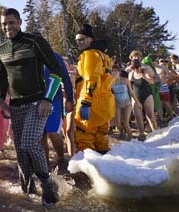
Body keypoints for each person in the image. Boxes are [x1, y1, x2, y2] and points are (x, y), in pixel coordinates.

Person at [0, 8, 62, 206]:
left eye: (11, 22)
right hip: (16, 106)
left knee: (30, 143)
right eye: (4, 24)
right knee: (21, 153)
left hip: (37, 103)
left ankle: (47, 183)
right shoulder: (1, 50)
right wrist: (1, 100)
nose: (8, 27)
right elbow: (1, 78)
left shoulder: (34, 41)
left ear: (19, 22)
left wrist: (48, 99)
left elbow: (57, 70)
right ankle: (27, 190)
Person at [73, 24, 115, 153]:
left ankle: (89, 167)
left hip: (92, 103)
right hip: (105, 102)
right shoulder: (103, 56)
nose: (79, 42)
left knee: (84, 135)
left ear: (90, 39)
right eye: (77, 40)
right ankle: (105, 165)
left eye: (82, 39)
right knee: (101, 136)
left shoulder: (89, 55)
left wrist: (86, 101)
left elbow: (91, 79)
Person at [41, 48, 74, 167]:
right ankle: (45, 165)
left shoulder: (54, 56)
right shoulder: (28, 56)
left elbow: (65, 77)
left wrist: (69, 99)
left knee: (52, 132)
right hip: (37, 101)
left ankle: (61, 157)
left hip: (55, 99)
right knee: (41, 134)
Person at [128, 50, 158, 136]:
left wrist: (145, 76)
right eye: (134, 57)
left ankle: (156, 133)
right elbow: (129, 86)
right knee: (138, 117)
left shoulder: (146, 67)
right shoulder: (130, 72)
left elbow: (153, 81)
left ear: (141, 58)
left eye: (138, 57)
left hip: (147, 94)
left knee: (150, 116)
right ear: (131, 58)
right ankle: (141, 134)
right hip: (136, 95)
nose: (136, 58)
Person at [110, 65, 136, 140]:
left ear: (119, 72)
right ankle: (122, 132)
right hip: (117, 104)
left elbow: (131, 92)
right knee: (117, 124)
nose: (114, 73)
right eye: (112, 71)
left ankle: (132, 139)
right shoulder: (110, 83)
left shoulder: (125, 80)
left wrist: (137, 102)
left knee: (126, 124)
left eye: (115, 71)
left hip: (127, 104)